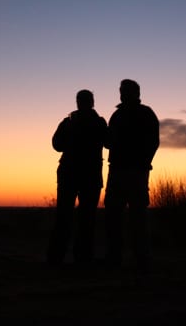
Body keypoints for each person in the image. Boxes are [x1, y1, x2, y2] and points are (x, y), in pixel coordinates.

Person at [46, 89, 108, 267]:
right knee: (85, 218)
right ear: (92, 102)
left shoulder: (70, 122)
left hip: (72, 174)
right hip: (84, 175)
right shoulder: (94, 122)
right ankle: (80, 258)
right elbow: (110, 142)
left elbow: (57, 144)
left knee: (67, 217)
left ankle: (58, 258)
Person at [103, 79, 159, 272]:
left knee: (137, 216)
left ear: (135, 93)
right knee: (116, 215)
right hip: (120, 170)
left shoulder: (143, 114)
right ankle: (117, 257)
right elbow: (109, 142)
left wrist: (144, 162)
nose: (122, 94)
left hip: (133, 171)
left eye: (125, 91)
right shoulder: (118, 115)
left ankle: (140, 258)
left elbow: (153, 142)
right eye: (121, 91)